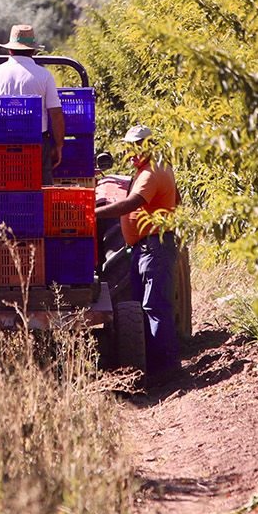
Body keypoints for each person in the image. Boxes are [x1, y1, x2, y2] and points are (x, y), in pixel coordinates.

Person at [94, 125, 180, 375]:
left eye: (137, 146)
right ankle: (154, 366)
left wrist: (91, 213)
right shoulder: (150, 169)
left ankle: (165, 370)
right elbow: (178, 198)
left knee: (155, 307)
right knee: (145, 306)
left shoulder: (152, 172)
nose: (132, 152)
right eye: (129, 147)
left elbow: (132, 203)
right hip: (145, 247)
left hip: (155, 247)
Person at [0, 24, 64, 185]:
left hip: (1, 144)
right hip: (37, 144)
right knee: (41, 188)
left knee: (3, 186)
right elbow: (56, 113)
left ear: (10, 50)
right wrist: (59, 145)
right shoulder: (44, 75)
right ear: (33, 50)